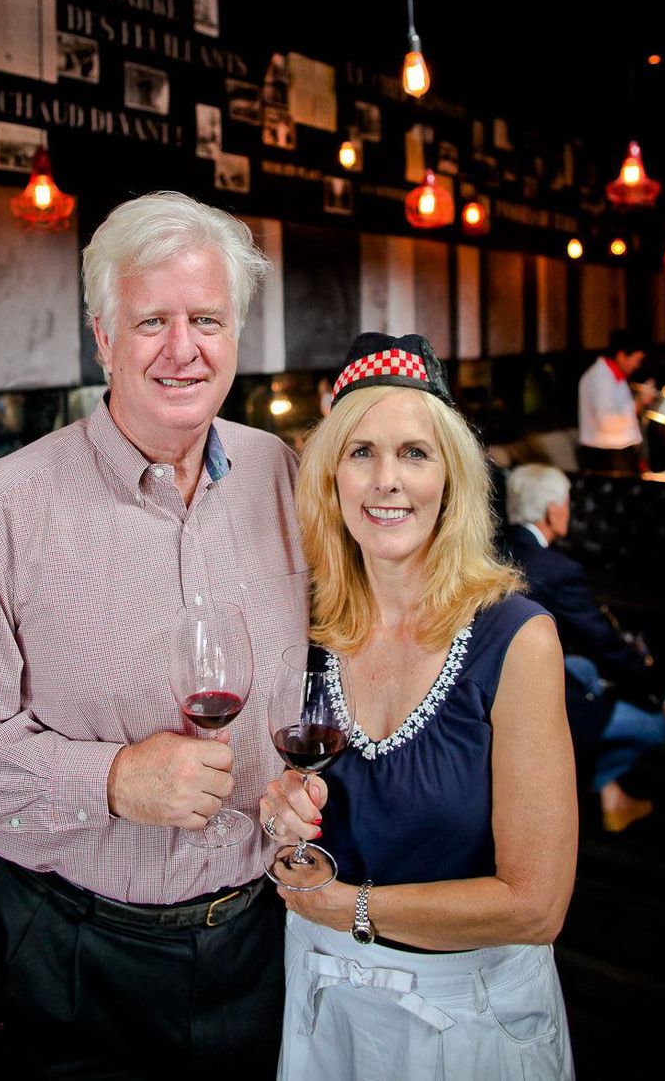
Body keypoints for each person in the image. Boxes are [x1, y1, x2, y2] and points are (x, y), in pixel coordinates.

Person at [0, 191, 309, 1079]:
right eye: (152, 319)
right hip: (71, 961)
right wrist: (109, 778)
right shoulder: (3, 511)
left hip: (264, 945)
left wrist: (296, 784)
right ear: (103, 337)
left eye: (206, 319)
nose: (182, 348)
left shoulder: (284, 474)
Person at [259, 333, 577, 1080]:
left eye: (414, 452)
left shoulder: (516, 638)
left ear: (452, 478)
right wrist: (279, 812)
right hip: (323, 1005)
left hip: (469, 1020)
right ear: (331, 476)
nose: (386, 480)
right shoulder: (306, 633)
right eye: (361, 451)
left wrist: (351, 909)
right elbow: (289, 819)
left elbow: (536, 904)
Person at [503, 464, 665, 832]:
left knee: (584, 669)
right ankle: (589, 786)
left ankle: (610, 793)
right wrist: (660, 693)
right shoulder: (557, 569)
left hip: (496, 679)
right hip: (528, 697)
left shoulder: (491, 549)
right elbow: (606, 644)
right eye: (567, 503)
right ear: (554, 510)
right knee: (658, 725)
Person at [577, 328, 656, 472]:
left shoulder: (616, 377)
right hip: (606, 456)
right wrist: (638, 403)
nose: (637, 365)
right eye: (636, 359)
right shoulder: (600, 378)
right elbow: (606, 420)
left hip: (619, 453)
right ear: (621, 355)